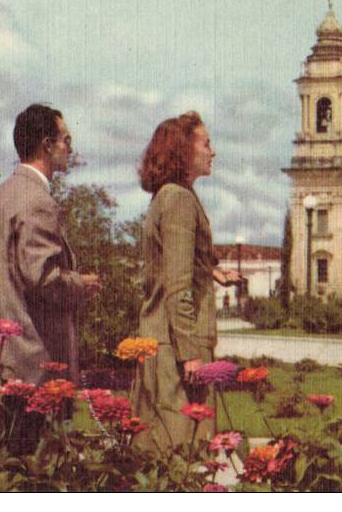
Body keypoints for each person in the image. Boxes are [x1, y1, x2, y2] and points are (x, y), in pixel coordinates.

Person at [0, 104, 102, 452]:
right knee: (36, 468)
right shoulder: (37, 200)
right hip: (35, 364)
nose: (70, 148)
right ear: (47, 145)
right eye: (66, 139)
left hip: (6, 358)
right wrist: (81, 284)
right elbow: (42, 278)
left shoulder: (2, 195)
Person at [132, 111, 242, 454]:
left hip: (165, 343)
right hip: (174, 349)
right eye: (206, 144)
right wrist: (190, 355)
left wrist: (213, 271)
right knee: (178, 457)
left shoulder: (172, 195)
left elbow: (178, 259)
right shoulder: (178, 199)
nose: (213, 151)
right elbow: (177, 285)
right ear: (183, 150)